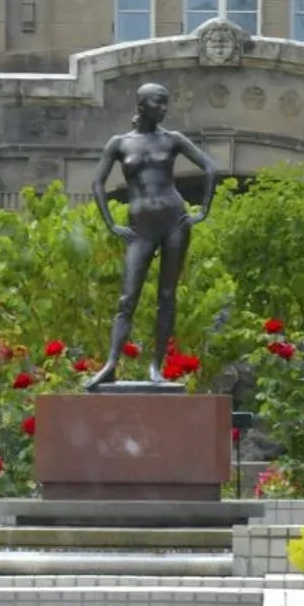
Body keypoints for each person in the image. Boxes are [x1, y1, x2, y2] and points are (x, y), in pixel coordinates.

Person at [83, 83, 220, 390]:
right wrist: (110, 224)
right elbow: (97, 184)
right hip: (140, 227)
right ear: (142, 105)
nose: (164, 109)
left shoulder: (172, 140)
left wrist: (203, 211)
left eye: (165, 104)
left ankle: (156, 366)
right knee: (127, 297)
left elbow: (210, 167)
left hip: (174, 221)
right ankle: (111, 364)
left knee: (167, 296)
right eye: (158, 103)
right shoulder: (120, 144)